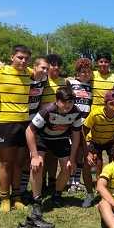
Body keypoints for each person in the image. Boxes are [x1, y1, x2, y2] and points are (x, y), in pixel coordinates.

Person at [23, 86, 83, 228]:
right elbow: (29, 131)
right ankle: (36, 201)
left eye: (70, 102)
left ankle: (57, 195)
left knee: (68, 167)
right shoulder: (47, 110)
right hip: (42, 139)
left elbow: (76, 136)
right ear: (57, 101)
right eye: (64, 102)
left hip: (61, 139)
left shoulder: (75, 112)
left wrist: (73, 159)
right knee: (37, 166)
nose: (68, 106)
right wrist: (35, 156)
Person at [0, 45, 34, 212]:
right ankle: (4, 198)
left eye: (26, 58)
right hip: (5, 123)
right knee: (6, 163)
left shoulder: (29, 73)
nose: (23, 61)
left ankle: (16, 197)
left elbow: (43, 72)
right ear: (11, 57)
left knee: (19, 163)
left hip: (24, 123)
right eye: (20, 57)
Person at [82, 91, 114, 207]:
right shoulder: (95, 114)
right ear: (105, 104)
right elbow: (83, 132)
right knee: (88, 165)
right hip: (95, 141)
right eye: (111, 104)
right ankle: (90, 194)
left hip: (111, 141)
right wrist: (87, 151)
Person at [18, 56, 50, 203]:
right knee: (21, 157)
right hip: (19, 119)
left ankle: (26, 189)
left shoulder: (44, 80)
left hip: (34, 122)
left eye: (46, 69)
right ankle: (19, 190)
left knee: (31, 156)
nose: (45, 71)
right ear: (34, 67)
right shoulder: (26, 75)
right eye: (42, 68)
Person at [66, 58, 94, 197]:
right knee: (74, 153)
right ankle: (72, 182)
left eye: (88, 72)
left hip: (86, 125)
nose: (86, 74)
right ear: (77, 72)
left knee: (82, 154)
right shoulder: (70, 83)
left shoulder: (91, 85)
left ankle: (77, 181)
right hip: (73, 124)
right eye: (83, 72)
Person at [41, 53, 67, 200]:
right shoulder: (42, 80)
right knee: (42, 155)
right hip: (43, 123)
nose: (56, 67)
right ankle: (42, 182)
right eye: (53, 64)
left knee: (53, 156)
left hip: (59, 123)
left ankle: (52, 180)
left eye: (58, 64)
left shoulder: (64, 81)